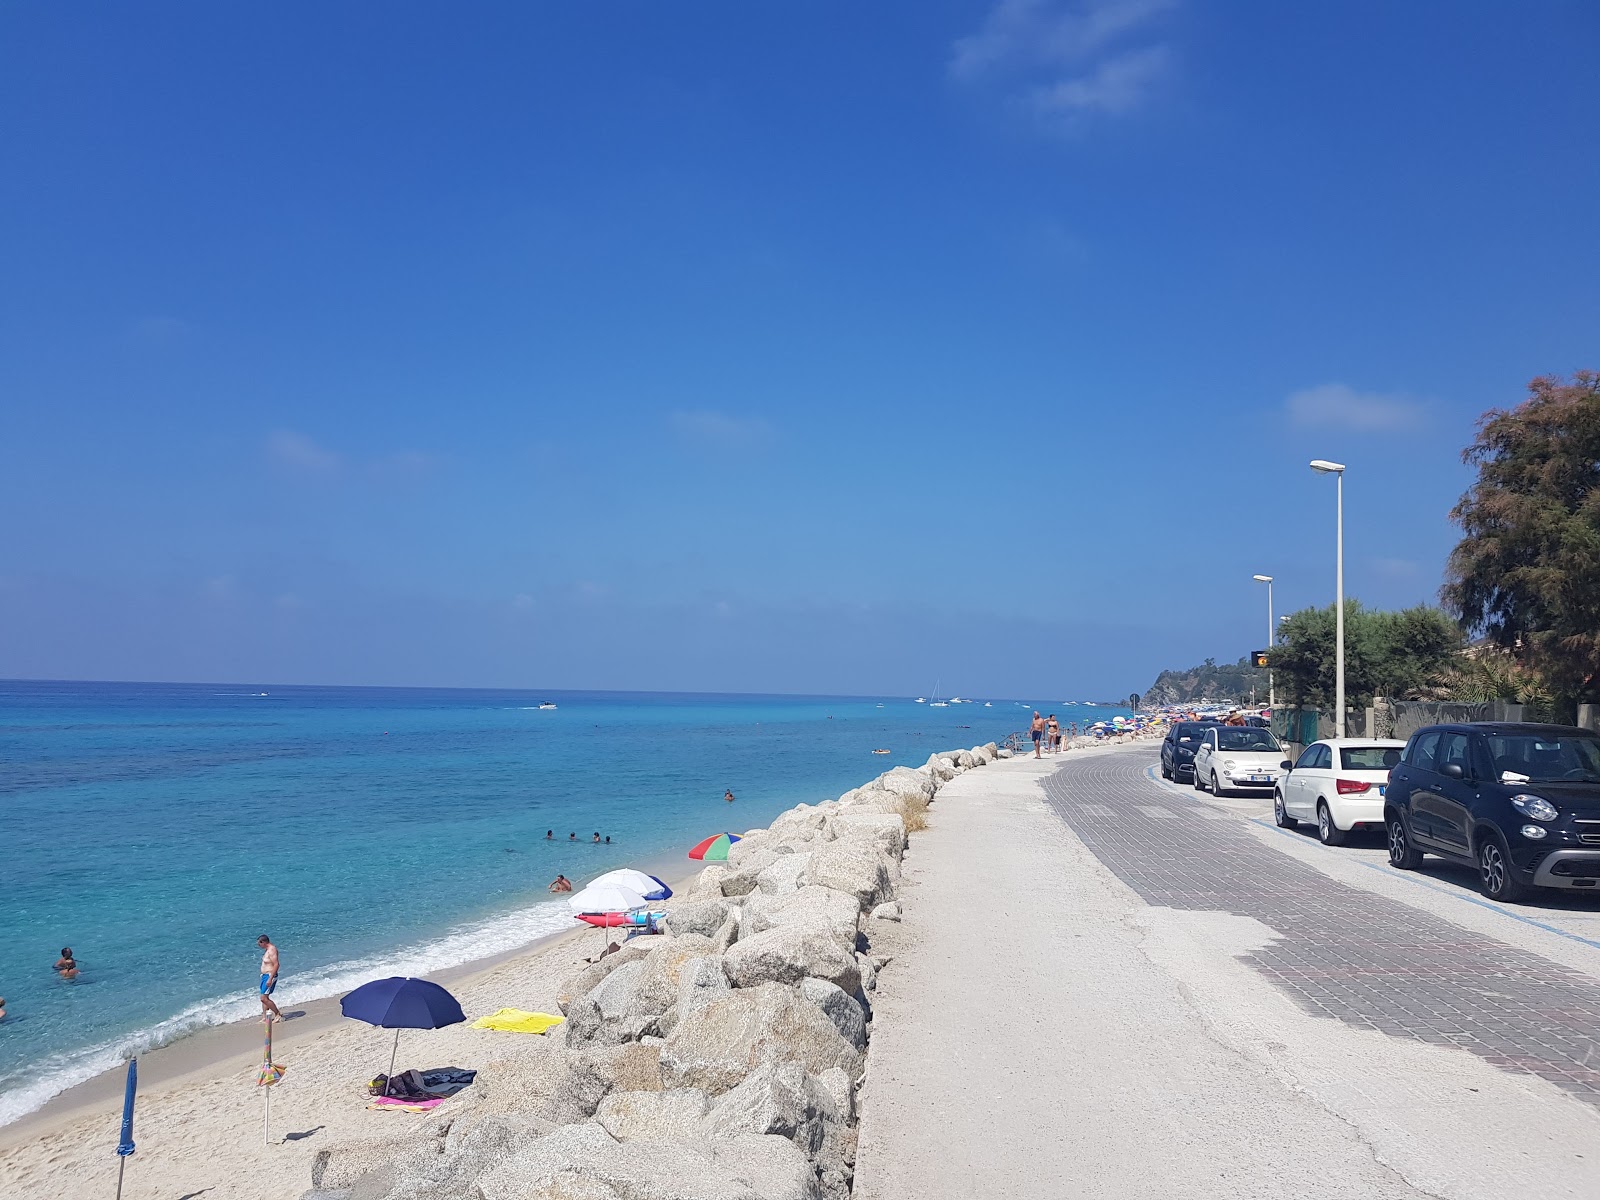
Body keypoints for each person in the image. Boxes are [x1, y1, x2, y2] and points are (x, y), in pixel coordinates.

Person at [257, 935, 283, 1022]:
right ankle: (265, 1017)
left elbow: (276, 964)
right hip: (264, 976)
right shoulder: (267, 950)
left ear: (263, 942)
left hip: (269, 975)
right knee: (264, 997)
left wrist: (270, 978)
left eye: (259, 944)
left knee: (263, 998)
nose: (258, 946)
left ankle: (278, 1014)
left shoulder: (272, 950)